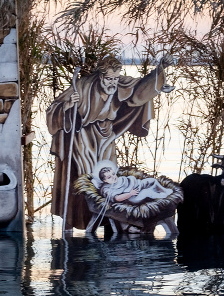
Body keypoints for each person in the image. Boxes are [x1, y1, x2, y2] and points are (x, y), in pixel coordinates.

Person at [47, 56, 173, 229]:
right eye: (109, 79)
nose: (113, 82)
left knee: (109, 176)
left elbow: (139, 89)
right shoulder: (83, 85)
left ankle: (107, 219)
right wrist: (69, 104)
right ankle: (84, 219)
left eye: (115, 78)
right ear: (100, 76)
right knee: (87, 176)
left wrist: (157, 82)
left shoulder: (119, 83)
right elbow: (54, 109)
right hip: (83, 135)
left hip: (106, 134)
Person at [93, 162, 173, 205]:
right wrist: (130, 194)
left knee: (152, 180)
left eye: (113, 174)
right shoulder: (107, 189)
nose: (113, 177)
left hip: (136, 187)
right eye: (109, 177)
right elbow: (117, 198)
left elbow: (128, 181)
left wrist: (137, 183)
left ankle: (164, 190)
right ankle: (162, 196)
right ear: (104, 180)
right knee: (146, 192)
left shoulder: (119, 179)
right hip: (131, 198)